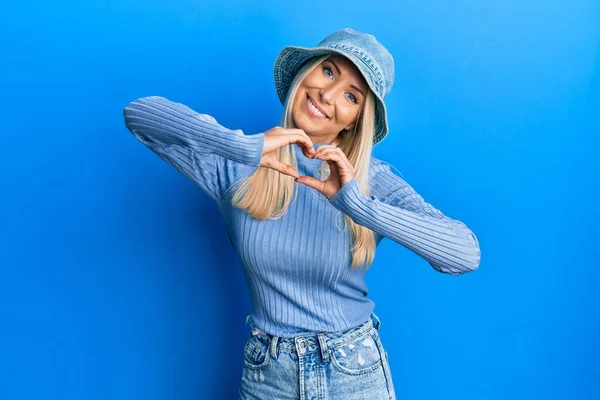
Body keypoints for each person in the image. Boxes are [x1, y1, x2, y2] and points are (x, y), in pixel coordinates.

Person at [123, 28, 480, 400]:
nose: (327, 95)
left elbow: (464, 254)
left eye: (351, 95)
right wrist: (242, 145)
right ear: (304, 71)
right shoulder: (237, 165)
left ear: (356, 120)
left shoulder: (373, 181)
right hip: (268, 374)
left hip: (353, 374)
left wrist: (355, 203)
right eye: (328, 71)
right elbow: (139, 114)